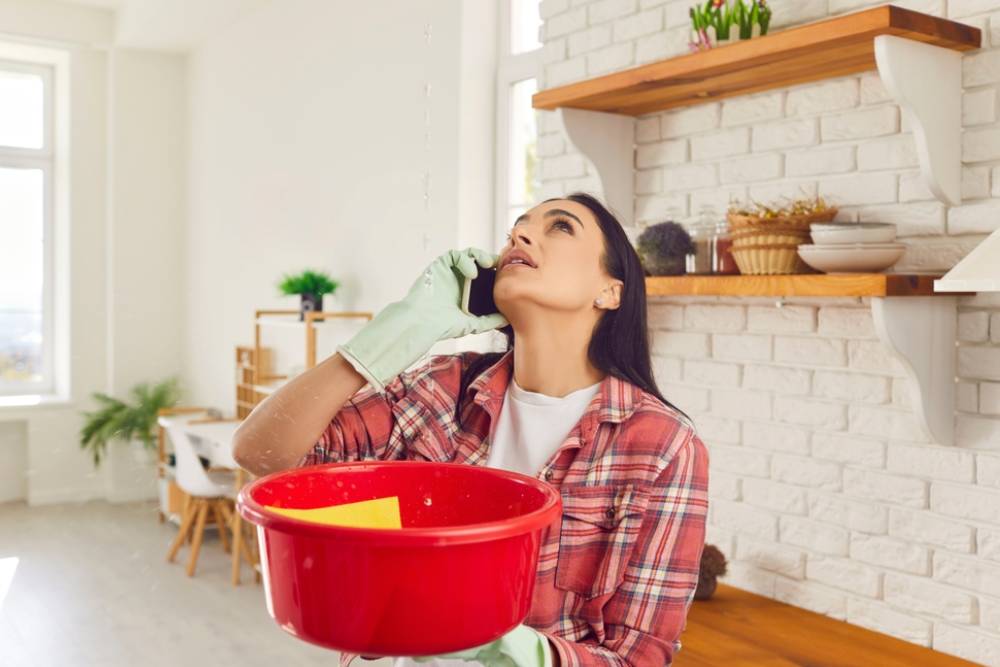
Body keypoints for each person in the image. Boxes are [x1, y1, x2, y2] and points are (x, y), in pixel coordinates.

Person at [233, 192, 710, 667]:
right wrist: (389, 337)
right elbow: (262, 452)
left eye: (560, 227)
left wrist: (523, 653)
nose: (519, 235)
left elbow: (640, 656)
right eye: (517, 229)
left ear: (611, 291)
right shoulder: (444, 388)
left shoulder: (662, 447)